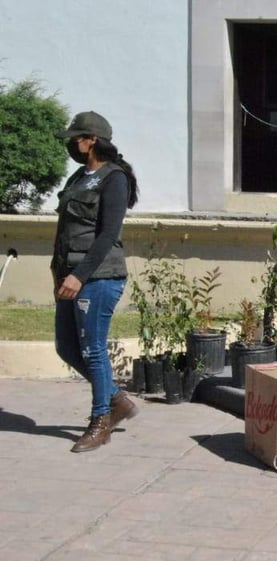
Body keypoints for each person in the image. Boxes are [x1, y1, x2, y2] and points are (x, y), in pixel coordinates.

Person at [52, 111, 141, 452]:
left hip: (99, 276)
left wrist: (79, 275)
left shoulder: (114, 178)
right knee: (66, 347)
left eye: (76, 138)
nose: (72, 144)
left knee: (92, 351)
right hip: (70, 274)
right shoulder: (79, 178)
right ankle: (117, 399)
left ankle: (100, 421)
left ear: (91, 140)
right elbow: (65, 232)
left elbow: (106, 235)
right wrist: (60, 273)